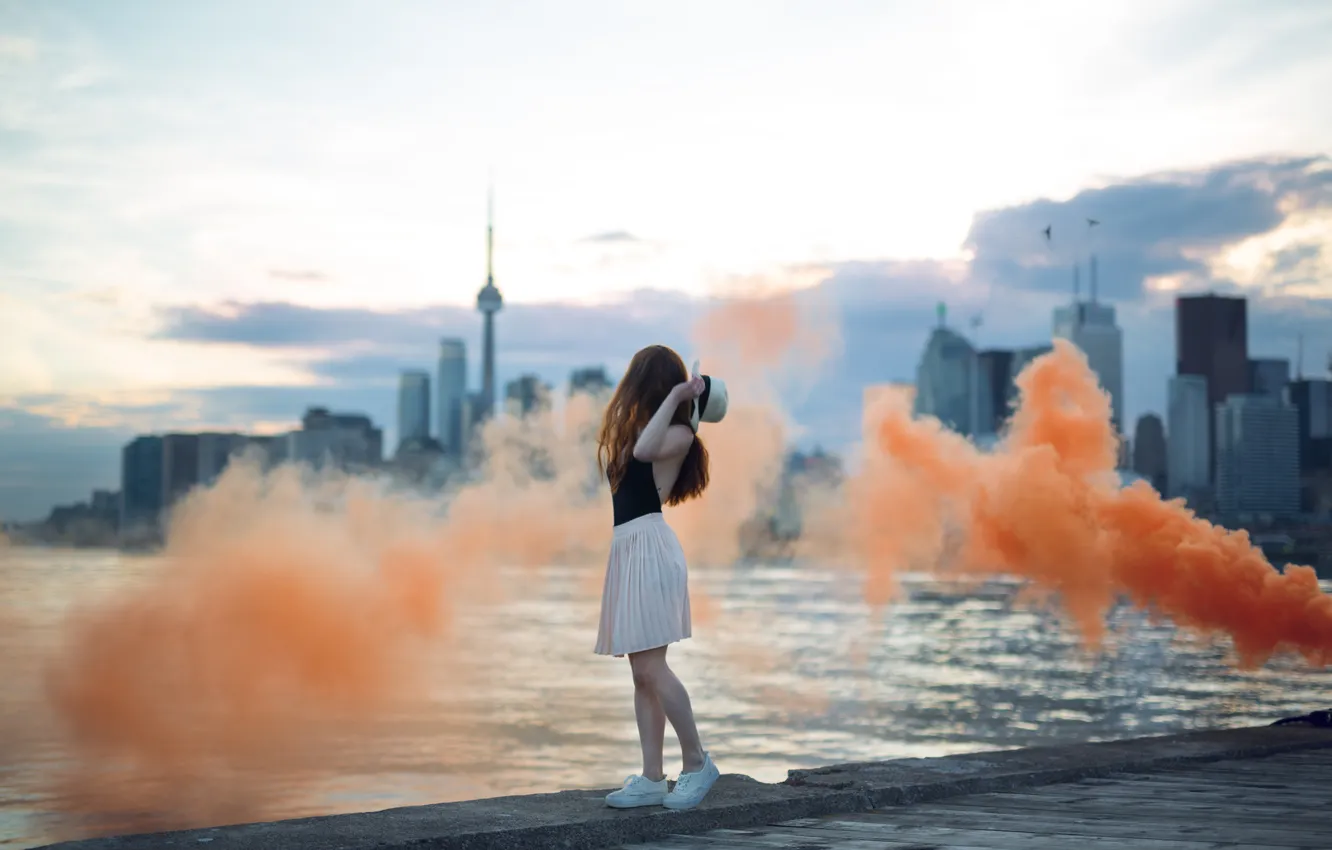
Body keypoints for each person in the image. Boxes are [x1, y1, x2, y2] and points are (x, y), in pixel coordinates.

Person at [594, 344, 728, 811]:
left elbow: (647, 451)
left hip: (650, 549)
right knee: (640, 674)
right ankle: (652, 778)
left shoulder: (678, 435)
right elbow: (632, 449)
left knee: (653, 668)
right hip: (630, 548)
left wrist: (676, 398)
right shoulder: (647, 428)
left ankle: (697, 762)